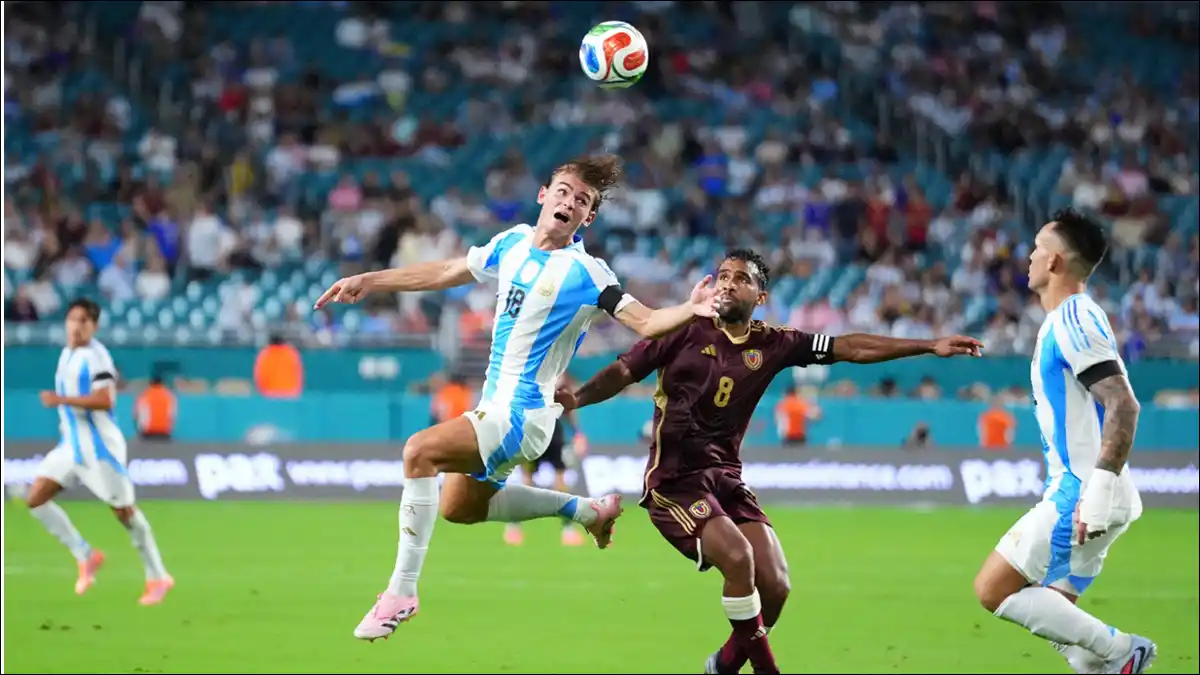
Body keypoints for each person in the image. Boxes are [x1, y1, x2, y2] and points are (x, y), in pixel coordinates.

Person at [312, 154, 720, 642]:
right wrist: (370, 279)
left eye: (583, 200)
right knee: (457, 507)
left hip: (521, 415)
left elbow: (646, 322)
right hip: (495, 410)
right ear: (544, 196)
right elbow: (446, 271)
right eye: (564, 190)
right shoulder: (509, 244)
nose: (570, 201)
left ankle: (401, 592)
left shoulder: (588, 273)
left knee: (418, 451)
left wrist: (692, 308)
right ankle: (586, 511)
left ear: (588, 218)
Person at [559, 249, 984, 674]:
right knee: (740, 558)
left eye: (740, 278)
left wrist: (929, 345)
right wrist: (577, 398)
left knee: (776, 587)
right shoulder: (682, 330)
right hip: (674, 482)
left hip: (726, 478)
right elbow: (623, 371)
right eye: (722, 275)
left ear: (759, 296)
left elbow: (849, 347)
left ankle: (722, 666)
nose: (726, 283)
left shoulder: (774, 343)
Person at [971, 209, 1156, 674]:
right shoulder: (1070, 318)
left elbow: (1123, 403)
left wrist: (1096, 491)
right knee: (1059, 615)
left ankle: (1122, 650)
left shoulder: (1072, 317)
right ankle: (1101, 663)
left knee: (993, 588)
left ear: (1053, 262)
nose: (1028, 256)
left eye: (1036, 247)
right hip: (1101, 491)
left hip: (1080, 491)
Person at [26, 298, 174, 605]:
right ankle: (86, 555)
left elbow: (106, 400)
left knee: (124, 513)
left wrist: (61, 401)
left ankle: (158, 576)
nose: (76, 326)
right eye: (72, 320)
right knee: (36, 498)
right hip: (71, 445)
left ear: (94, 326)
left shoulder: (97, 358)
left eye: (84, 321)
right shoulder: (67, 354)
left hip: (99, 449)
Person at [504, 374, 589, 547]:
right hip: (532, 433)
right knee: (526, 481)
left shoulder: (560, 377)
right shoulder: (533, 375)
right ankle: (514, 527)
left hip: (553, 435)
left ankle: (567, 530)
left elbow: (568, 408)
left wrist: (578, 433)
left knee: (560, 482)